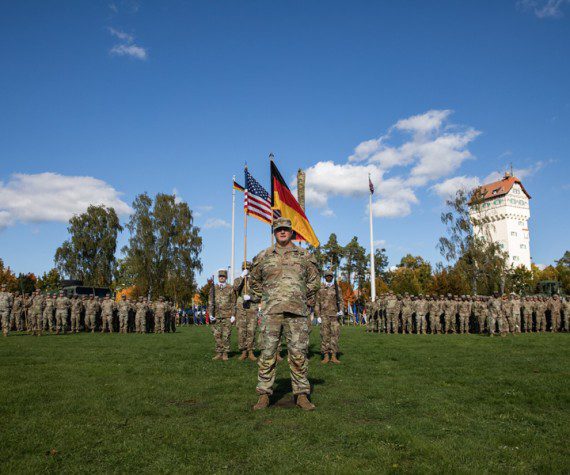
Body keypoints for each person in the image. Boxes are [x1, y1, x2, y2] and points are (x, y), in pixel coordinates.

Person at [249, 217, 320, 411]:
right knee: (267, 354)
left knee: (299, 354)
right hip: (272, 313)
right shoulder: (264, 256)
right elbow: (253, 281)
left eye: (285, 229)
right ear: (274, 232)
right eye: (278, 229)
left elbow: (315, 280)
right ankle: (264, 394)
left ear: (291, 232)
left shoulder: (304, 255)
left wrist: (300, 294)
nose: (282, 232)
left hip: (297, 313)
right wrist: (264, 297)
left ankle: (302, 395)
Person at [315, 270, 343, 364]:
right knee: (325, 335)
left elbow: (341, 300)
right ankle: (326, 355)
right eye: (327, 276)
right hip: (324, 315)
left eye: (330, 276)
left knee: (335, 335)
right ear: (325, 277)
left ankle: (334, 355)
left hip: (334, 315)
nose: (329, 277)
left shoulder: (337, 288)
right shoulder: (320, 288)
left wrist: (341, 310)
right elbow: (317, 303)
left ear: (332, 277)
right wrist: (317, 315)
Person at [208, 269, 236, 361]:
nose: (222, 278)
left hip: (227, 315)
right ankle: (219, 352)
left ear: (226, 278)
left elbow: (233, 302)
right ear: (218, 277)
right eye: (220, 276)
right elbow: (210, 301)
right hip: (216, 315)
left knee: (226, 335)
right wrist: (210, 313)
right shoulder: (214, 288)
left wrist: (233, 315)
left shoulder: (230, 288)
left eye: (223, 276)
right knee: (217, 335)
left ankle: (225, 353)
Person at [233, 261, 258, 361]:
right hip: (241, 308)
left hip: (252, 308)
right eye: (244, 268)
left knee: (251, 330)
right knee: (241, 330)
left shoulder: (255, 281)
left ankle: (251, 351)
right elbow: (235, 288)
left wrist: (251, 297)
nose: (246, 270)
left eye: (247, 268)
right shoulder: (238, 279)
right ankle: (243, 352)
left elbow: (259, 295)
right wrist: (242, 277)